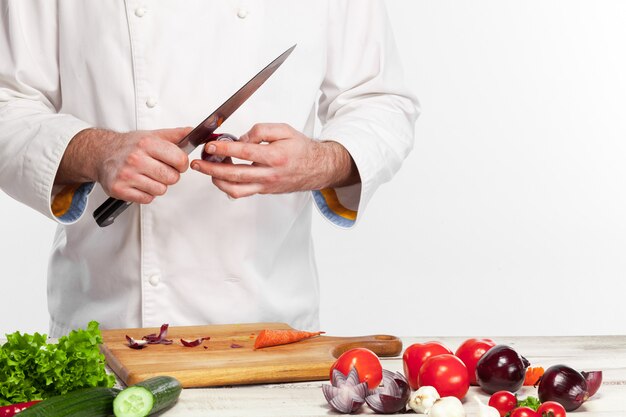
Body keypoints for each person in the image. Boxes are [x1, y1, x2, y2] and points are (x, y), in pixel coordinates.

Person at [0, 1, 419, 337]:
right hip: (109, 320)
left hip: (269, 325)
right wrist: (96, 151)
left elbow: (379, 100)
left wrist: (319, 162)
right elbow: (7, 104)